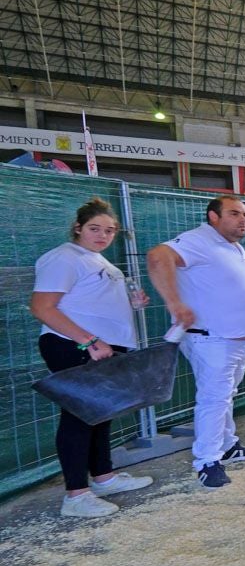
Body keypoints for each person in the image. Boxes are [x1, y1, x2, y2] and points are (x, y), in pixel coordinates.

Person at [29, 197, 154, 517]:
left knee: (100, 412)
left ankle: (103, 477)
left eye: (110, 230)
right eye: (95, 229)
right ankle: (76, 495)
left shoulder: (99, 261)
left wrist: (133, 303)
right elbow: (42, 308)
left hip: (104, 347)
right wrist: (89, 341)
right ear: (78, 228)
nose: (103, 235)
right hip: (75, 346)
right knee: (80, 415)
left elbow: (92, 302)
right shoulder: (65, 258)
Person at [147, 195, 245, 488]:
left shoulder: (233, 247)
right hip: (211, 338)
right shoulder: (198, 240)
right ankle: (206, 461)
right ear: (213, 217)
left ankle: (227, 445)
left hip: (235, 338)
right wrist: (174, 303)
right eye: (234, 213)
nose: (243, 220)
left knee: (226, 394)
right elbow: (157, 257)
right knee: (214, 398)